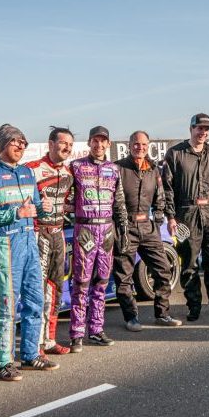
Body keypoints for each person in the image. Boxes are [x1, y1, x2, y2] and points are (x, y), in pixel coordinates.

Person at [0, 124, 59, 381]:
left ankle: (30, 354)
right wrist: (16, 213)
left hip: (29, 242)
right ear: (2, 144)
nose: (21, 147)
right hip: (6, 244)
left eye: (23, 143)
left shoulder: (27, 173)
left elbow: (35, 208)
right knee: (7, 306)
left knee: (35, 301)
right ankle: (4, 361)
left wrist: (44, 208)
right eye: (15, 142)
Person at [112, 130, 182, 331]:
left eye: (143, 144)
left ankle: (163, 314)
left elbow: (160, 198)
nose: (140, 147)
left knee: (164, 270)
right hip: (125, 227)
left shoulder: (153, 169)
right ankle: (131, 318)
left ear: (148, 146)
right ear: (129, 145)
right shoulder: (118, 168)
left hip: (148, 227)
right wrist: (120, 227)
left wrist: (157, 222)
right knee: (124, 277)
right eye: (136, 144)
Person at [162, 113, 209, 322]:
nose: (203, 132)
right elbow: (167, 188)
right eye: (199, 128)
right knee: (189, 263)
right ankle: (194, 306)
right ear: (191, 129)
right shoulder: (175, 153)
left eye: (206, 129)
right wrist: (171, 217)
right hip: (186, 213)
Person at [68, 125, 129, 352]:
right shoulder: (76, 166)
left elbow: (119, 202)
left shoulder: (114, 169)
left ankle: (96, 330)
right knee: (81, 283)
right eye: (95, 140)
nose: (99, 145)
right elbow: (66, 198)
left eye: (103, 141)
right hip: (84, 229)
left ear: (108, 144)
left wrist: (123, 229)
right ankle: (76, 334)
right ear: (89, 143)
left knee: (102, 282)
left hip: (107, 230)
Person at [26, 127, 75, 355]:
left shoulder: (68, 173)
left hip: (58, 234)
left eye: (70, 145)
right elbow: (17, 201)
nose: (67, 148)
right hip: (38, 234)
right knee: (38, 290)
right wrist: (36, 207)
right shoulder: (32, 169)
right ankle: (34, 345)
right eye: (63, 143)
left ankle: (49, 340)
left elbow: (69, 202)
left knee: (56, 287)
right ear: (51, 144)